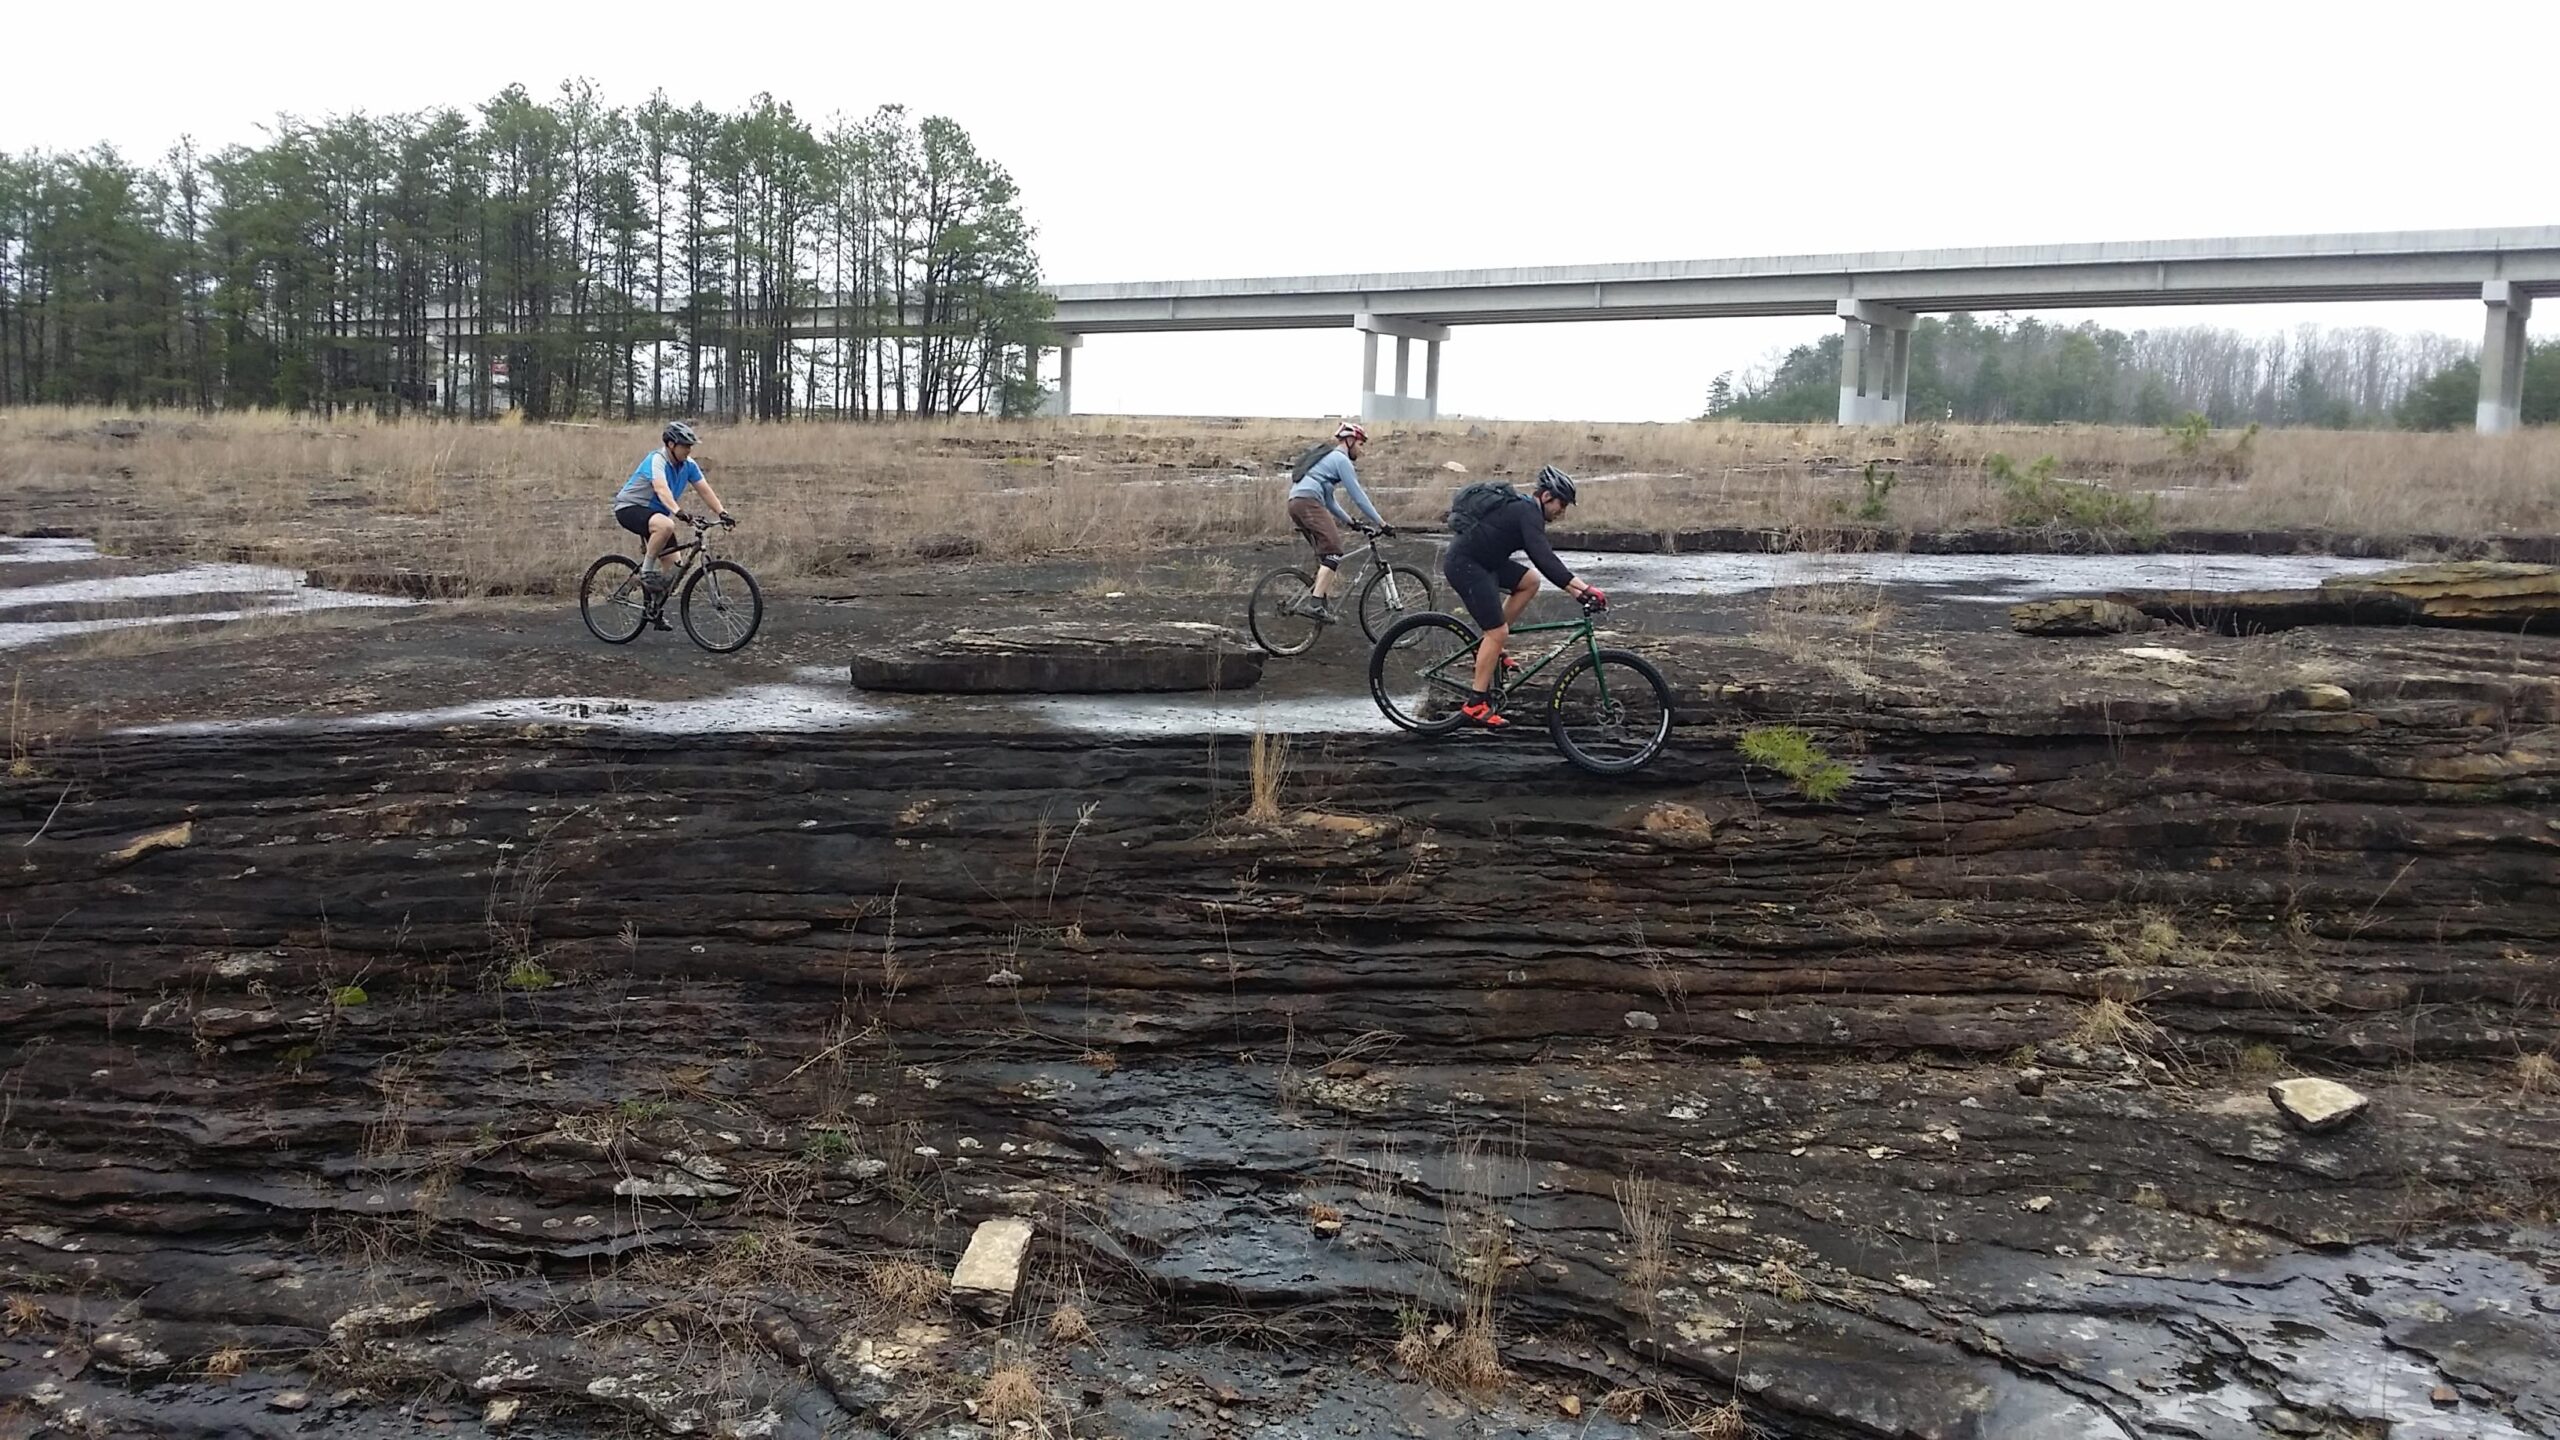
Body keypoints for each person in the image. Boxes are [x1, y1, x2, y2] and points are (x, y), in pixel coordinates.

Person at [1440, 466, 1605, 728]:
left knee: (1530, 581)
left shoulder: (1527, 510)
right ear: (1548, 496)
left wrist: (1577, 592)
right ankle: (1475, 704)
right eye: (1562, 503)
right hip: (1466, 564)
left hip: (1486, 562)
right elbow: (1544, 557)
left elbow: (1544, 567)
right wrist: (1583, 588)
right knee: (1497, 631)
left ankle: (1495, 648)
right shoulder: (1528, 511)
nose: (1562, 511)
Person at [613, 422, 734, 624]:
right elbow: (661, 489)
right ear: (670, 445)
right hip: (629, 508)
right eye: (685, 445)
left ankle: (651, 610)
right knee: (666, 525)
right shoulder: (656, 460)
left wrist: (722, 512)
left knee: (674, 573)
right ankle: (646, 573)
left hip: (656, 515)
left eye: (690, 446)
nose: (689, 450)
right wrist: (678, 512)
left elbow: (704, 489)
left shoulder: (689, 465)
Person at [1284, 421, 1391, 622]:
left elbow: (1330, 501)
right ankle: (1315, 604)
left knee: (1325, 555)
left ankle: (1320, 599)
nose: (1361, 451)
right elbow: (1358, 496)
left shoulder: (1326, 461)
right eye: (1360, 444)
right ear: (1349, 441)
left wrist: (1352, 522)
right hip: (1308, 502)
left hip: (1296, 502)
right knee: (1334, 552)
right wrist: (1382, 523)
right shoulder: (1341, 460)